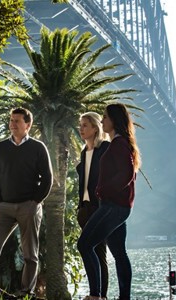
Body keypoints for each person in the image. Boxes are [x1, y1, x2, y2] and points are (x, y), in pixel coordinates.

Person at [0, 107, 53, 298]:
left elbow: (48, 178)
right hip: (4, 208)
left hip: (29, 207)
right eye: (11, 120)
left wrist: (35, 202)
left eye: (17, 121)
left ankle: (27, 292)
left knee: (30, 255)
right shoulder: (0, 147)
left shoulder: (38, 147)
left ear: (28, 124)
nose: (12, 124)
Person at [77, 103, 141, 300]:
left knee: (85, 245)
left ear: (114, 120)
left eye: (105, 117)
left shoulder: (118, 144)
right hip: (116, 206)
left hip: (113, 206)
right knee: (119, 254)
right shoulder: (118, 143)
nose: (102, 120)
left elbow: (127, 174)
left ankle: (96, 295)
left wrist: (103, 190)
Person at [76, 112, 110, 299]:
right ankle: (95, 293)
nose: (81, 128)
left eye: (85, 125)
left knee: (99, 252)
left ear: (96, 128)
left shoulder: (105, 148)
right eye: (80, 125)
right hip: (85, 209)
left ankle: (99, 295)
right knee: (91, 251)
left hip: (100, 208)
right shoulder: (83, 152)